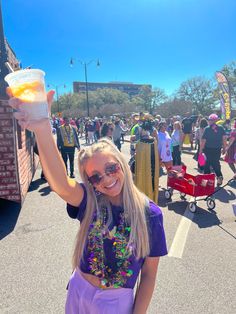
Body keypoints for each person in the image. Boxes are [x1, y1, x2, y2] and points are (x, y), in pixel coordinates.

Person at [8, 91, 168, 314]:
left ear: (121, 164)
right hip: (79, 289)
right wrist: (43, 128)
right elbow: (61, 184)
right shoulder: (90, 201)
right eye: (96, 176)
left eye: (111, 168)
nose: (107, 179)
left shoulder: (150, 213)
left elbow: (149, 274)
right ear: (90, 182)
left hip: (115, 300)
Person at [199, 114, 227, 186]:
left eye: (210, 120)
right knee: (215, 163)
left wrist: (201, 150)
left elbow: (203, 141)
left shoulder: (207, 129)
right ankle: (219, 176)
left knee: (207, 164)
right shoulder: (221, 128)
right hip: (217, 149)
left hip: (208, 149)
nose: (209, 121)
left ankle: (206, 180)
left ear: (213, 120)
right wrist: (224, 148)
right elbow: (224, 139)